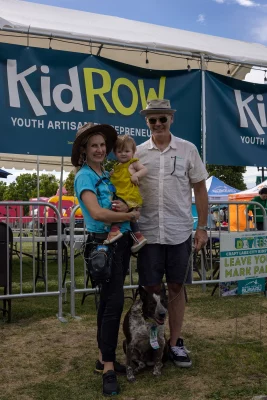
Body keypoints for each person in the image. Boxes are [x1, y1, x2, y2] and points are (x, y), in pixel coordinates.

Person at [136, 99, 208, 368]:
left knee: (177, 288)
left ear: (171, 119)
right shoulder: (138, 153)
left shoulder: (188, 149)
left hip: (179, 231)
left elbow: (200, 189)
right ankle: (153, 344)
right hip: (148, 233)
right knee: (151, 290)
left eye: (162, 119)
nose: (157, 124)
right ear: (147, 122)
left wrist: (201, 227)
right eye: (152, 120)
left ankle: (176, 343)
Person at [71, 122, 140, 397]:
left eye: (102, 145)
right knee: (113, 305)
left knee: (107, 304)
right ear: (84, 151)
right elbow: (97, 213)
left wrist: (125, 206)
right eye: (94, 145)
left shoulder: (107, 174)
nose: (100, 149)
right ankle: (109, 368)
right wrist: (128, 216)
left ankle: (103, 357)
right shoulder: (84, 176)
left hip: (120, 243)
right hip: (101, 245)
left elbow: (116, 201)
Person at [105, 135, 148, 253]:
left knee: (117, 210)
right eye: (119, 151)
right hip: (122, 195)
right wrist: (112, 174)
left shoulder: (133, 163)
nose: (123, 154)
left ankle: (115, 230)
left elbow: (144, 170)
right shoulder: (117, 167)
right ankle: (138, 237)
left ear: (133, 152)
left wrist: (136, 175)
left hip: (129, 197)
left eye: (127, 151)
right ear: (115, 153)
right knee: (130, 219)